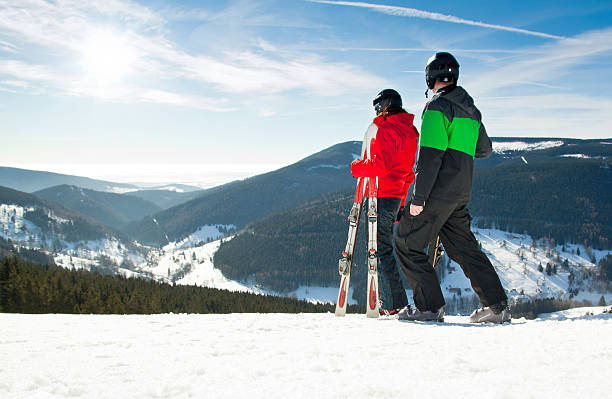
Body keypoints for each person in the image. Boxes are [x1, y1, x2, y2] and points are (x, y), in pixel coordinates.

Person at [394, 52, 510, 323]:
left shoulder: (437, 108)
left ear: (430, 77)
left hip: (436, 193)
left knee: (407, 243)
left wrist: (418, 198)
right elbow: (484, 150)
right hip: (460, 194)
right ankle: (497, 306)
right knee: (465, 250)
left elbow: (431, 157)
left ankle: (429, 307)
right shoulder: (471, 110)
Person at [350, 89, 419, 315]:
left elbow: (380, 166)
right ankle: (392, 302)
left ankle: (393, 304)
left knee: (379, 250)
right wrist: (400, 202)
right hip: (395, 196)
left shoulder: (385, 128)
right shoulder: (410, 132)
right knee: (384, 250)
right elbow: (408, 173)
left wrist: (357, 167)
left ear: (383, 106)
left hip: (380, 194)